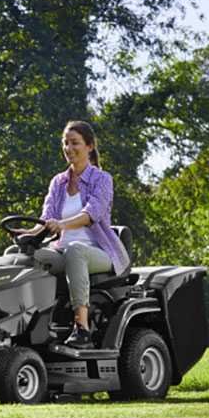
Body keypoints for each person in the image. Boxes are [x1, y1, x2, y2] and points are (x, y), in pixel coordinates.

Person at [35, 120, 130, 349]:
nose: (68, 148)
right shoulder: (58, 182)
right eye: (65, 143)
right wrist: (27, 233)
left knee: (75, 251)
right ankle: (29, 324)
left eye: (75, 143)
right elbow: (46, 219)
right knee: (25, 256)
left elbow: (91, 214)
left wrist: (62, 225)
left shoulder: (102, 179)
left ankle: (82, 328)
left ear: (89, 146)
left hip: (100, 252)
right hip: (62, 251)